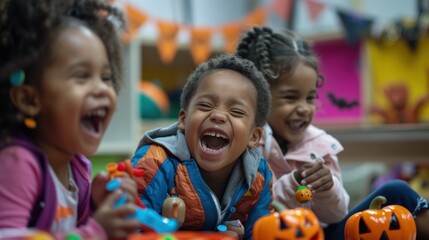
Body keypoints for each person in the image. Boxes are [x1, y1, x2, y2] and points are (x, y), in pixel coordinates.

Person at [236, 26, 429, 239]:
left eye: (310, 98)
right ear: (258, 97)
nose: (304, 108)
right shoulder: (248, 144)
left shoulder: (319, 145)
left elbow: (337, 215)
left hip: (321, 234)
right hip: (272, 234)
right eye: (291, 98)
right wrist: (292, 184)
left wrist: (329, 188)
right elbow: (253, 210)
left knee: (397, 191)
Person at [0, 0, 141, 239]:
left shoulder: (78, 168)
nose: (101, 89)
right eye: (82, 76)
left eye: (106, 77)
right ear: (29, 100)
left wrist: (99, 208)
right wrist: (97, 231)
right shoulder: (17, 162)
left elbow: (75, 231)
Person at [131, 54, 273, 240]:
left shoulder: (258, 175)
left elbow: (262, 234)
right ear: (183, 119)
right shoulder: (154, 162)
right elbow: (130, 229)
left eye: (236, 111)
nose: (218, 116)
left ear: (253, 137)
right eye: (205, 105)